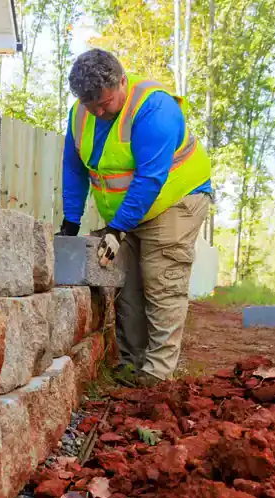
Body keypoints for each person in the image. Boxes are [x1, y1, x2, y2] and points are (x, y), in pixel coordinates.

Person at [58, 48, 213, 387]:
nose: (99, 112)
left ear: (123, 82)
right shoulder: (80, 115)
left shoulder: (156, 110)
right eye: (91, 105)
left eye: (106, 103)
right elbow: (74, 168)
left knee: (161, 281)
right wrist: (71, 221)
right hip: (132, 211)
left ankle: (157, 376)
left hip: (175, 199)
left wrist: (116, 228)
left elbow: (150, 178)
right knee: (126, 285)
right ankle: (132, 363)